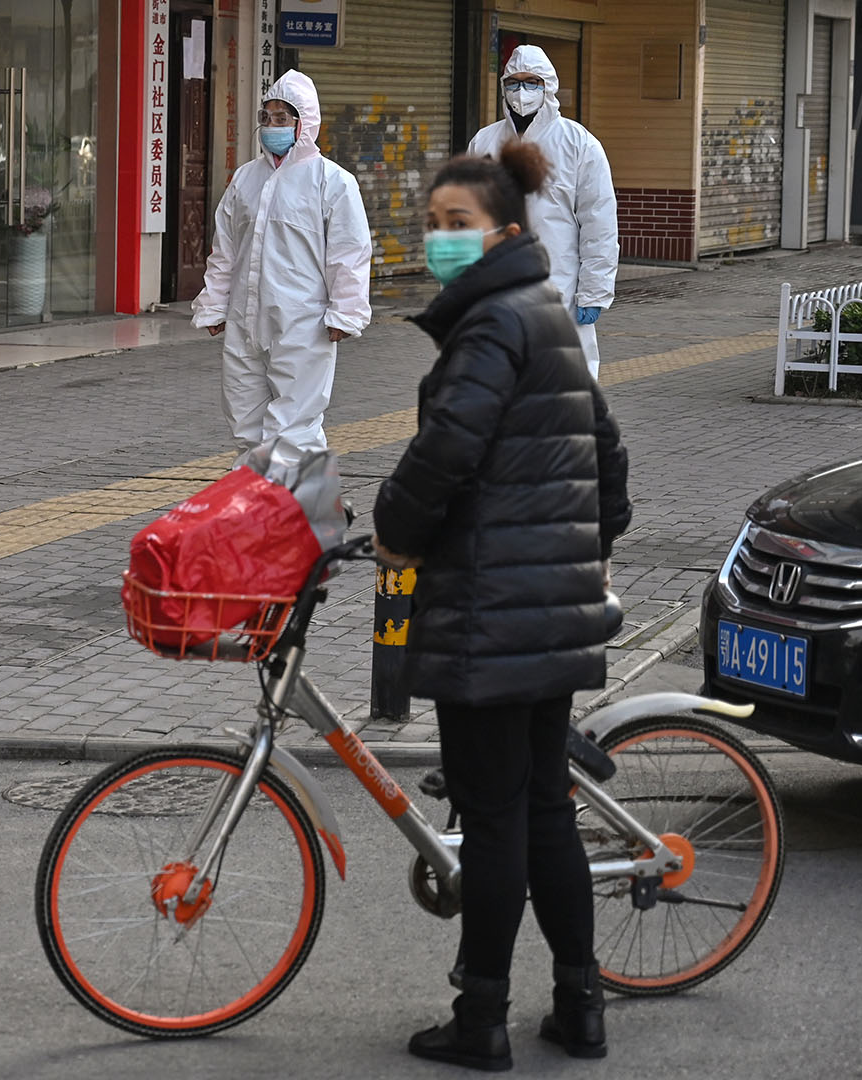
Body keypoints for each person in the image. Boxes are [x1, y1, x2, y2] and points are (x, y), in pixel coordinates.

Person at [373, 143, 632, 1072]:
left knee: (493, 819)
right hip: (549, 609)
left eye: (458, 226)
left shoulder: (488, 327)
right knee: (544, 810)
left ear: (505, 232)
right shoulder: (546, 313)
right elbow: (609, 456)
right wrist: (583, 550)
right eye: (433, 224)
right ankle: (579, 1004)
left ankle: (481, 1019)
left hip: (490, 613)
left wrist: (394, 530)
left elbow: (446, 450)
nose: (441, 241)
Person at [192, 69, 371, 469]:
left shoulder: (332, 182)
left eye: (282, 118)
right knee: (244, 418)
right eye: (266, 117)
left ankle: (290, 512)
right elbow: (226, 249)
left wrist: (346, 312)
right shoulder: (246, 179)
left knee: (294, 425)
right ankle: (262, 507)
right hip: (245, 318)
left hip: (303, 323)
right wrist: (214, 304)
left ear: (304, 124)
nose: (271, 126)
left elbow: (349, 253)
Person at [466, 45, 618, 381]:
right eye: (514, 82)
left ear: (548, 86)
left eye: (532, 82)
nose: (522, 91)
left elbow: (599, 225)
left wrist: (594, 291)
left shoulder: (579, 145)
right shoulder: (484, 143)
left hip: (559, 287)